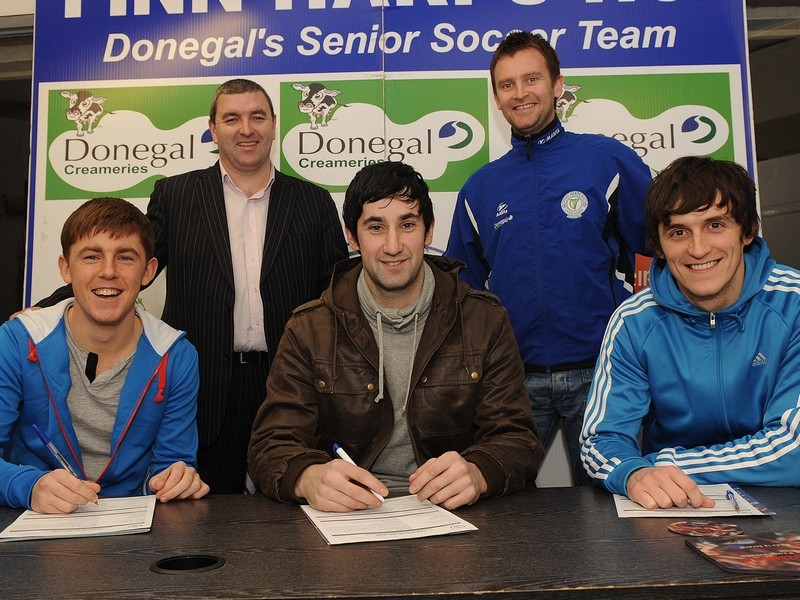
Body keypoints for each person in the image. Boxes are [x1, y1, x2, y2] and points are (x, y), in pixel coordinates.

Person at [37, 79, 349, 493]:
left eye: (258, 117)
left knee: (293, 505)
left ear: (275, 125)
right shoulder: (176, 195)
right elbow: (130, 267)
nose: (246, 129)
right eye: (232, 118)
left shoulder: (314, 201)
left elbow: (338, 295)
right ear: (212, 128)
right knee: (200, 513)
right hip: (201, 386)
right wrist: (46, 311)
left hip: (291, 383)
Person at [248, 161, 543, 512]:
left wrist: (479, 472)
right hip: (350, 517)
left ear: (429, 230)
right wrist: (307, 477)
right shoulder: (309, 328)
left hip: (454, 514)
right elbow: (271, 445)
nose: (393, 245)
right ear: (351, 236)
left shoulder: (485, 319)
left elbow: (518, 439)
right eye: (375, 227)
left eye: (407, 224)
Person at [445, 31, 652, 486]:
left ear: (558, 84)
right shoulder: (480, 189)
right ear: (496, 98)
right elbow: (464, 294)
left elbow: (659, 250)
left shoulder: (608, 161)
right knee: (504, 513)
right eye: (507, 84)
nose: (520, 93)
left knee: (615, 506)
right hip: (513, 384)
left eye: (531, 79)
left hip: (602, 376)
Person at [580, 156, 800, 510]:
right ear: (659, 246)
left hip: (786, 505)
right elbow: (600, 440)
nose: (698, 249)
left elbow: (794, 448)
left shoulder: (795, 304)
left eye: (715, 225)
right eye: (679, 232)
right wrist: (633, 475)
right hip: (675, 508)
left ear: (747, 231)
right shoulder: (634, 321)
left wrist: (657, 467)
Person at [0, 197, 208, 513]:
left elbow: (171, 463)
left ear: (148, 271)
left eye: (125, 257)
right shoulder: (16, 341)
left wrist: (176, 478)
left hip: (134, 530)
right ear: (65, 268)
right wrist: (27, 486)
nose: (108, 272)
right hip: (38, 519)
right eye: (92, 257)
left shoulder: (177, 356)